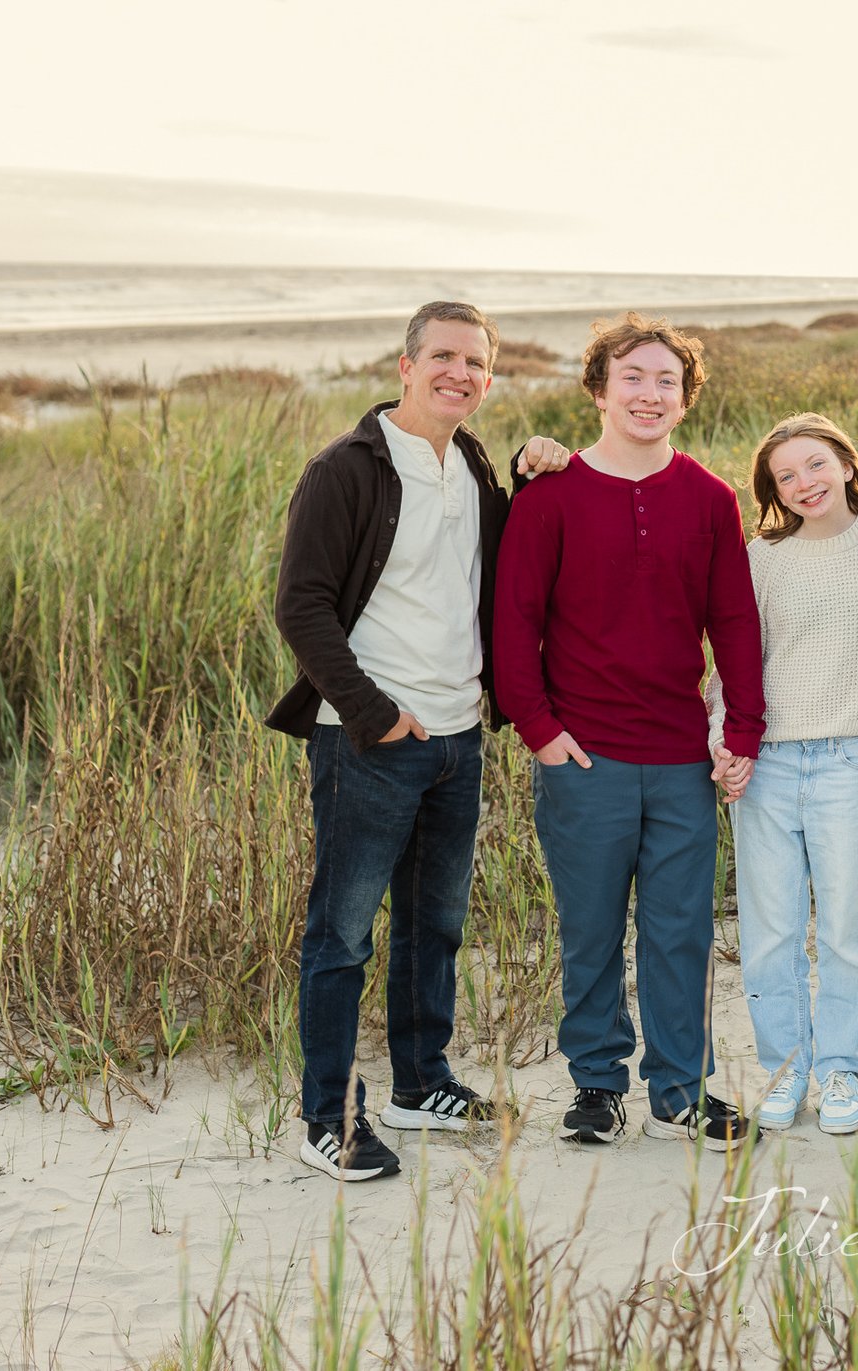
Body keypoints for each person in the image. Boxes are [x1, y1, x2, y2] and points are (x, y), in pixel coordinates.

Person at [269, 301, 567, 1182]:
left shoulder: (470, 462)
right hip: (370, 743)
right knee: (343, 934)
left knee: (433, 925)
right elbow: (302, 606)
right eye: (443, 357)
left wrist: (532, 472)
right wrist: (373, 712)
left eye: (477, 363)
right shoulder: (346, 469)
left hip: (459, 736)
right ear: (404, 365)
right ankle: (327, 1118)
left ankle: (420, 1083)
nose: (460, 374)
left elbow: (499, 566)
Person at [494, 313, 764, 1152]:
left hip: (683, 754)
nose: (650, 394)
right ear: (600, 389)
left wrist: (742, 728)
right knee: (591, 927)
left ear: (684, 402)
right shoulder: (551, 497)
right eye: (634, 377)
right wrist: (539, 731)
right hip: (584, 757)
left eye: (666, 382)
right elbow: (512, 625)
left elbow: (736, 622)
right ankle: (597, 1085)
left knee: (682, 928)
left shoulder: (711, 498)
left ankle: (681, 1091)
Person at [704, 414, 858, 1135]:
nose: (803, 484)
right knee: (769, 930)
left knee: (848, 929)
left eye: (815, 465)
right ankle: (786, 1068)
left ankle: (842, 1071)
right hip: (765, 766)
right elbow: (733, 663)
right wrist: (723, 741)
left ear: (847, 463)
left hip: (848, 760)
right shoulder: (761, 557)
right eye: (785, 476)